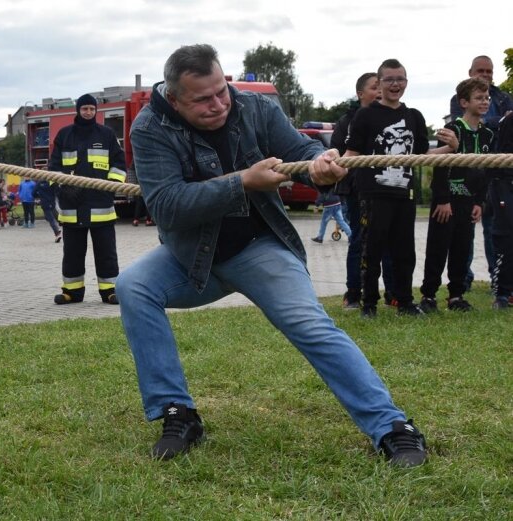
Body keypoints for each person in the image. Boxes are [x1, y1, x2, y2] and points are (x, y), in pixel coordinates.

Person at [117, 44, 427, 467]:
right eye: (202, 100)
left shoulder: (255, 108)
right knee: (133, 287)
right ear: (173, 99)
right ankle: (178, 413)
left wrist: (321, 162)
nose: (218, 105)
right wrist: (243, 181)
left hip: (260, 247)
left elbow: (300, 151)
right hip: (191, 258)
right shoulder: (150, 127)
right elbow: (167, 205)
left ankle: (392, 428)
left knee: (311, 325)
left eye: (221, 91)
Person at [344, 58, 457, 318]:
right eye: (389, 80)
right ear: (380, 83)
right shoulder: (366, 115)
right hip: (373, 194)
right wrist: (332, 168)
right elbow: (351, 153)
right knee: (371, 251)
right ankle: (368, 304)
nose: (395, 84)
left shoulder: (413, 116)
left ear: (406, 82)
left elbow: (422, 155)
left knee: (405, 251)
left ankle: (404, 301)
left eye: (400, 79)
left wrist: (450, 148)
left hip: (404, 194)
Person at [420, 78, 493, 313]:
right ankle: (429, 296)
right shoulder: (452, 130)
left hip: (468, 203)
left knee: (462, 249)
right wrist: (442, 199)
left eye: (487, 98)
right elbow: (440, 166)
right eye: (479, 98)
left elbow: (485, 172)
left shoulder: (487, 135)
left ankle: (456, 295)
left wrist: (480, 202)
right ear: (464, 102)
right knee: (438, 249)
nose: (485, 102)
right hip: (447, 202)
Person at [50, 93, 126, 305]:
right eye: (85, 109)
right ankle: (72, 292)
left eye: (92, 109)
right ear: (78, 110)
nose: (88, 112)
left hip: (101, 206)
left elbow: (119, 163)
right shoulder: (64, 135)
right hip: (72, 208)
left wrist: (110, 188)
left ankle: (110, 290)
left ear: (96, 111)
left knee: (106, 253)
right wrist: (62, 187)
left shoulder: (107, 135)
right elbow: (53, 167)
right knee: (72, 253)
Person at [331, 73, 395, 309]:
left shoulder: (392, 118)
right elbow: (337, 154)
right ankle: (354, 293)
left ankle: (393, 293)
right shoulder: (347, 121)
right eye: (374, 87)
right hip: (356, 190)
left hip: (386, 189)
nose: (379, 91)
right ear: (360, 93)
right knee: (359, 240)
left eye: (382, 86)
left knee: (388, 240)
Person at [450, 56, 513, 291]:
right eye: (480, 71)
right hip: (468, 172)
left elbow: (506, 125)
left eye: (489, 71)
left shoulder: (503, 96)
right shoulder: (460, 96)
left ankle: (496, 278)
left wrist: (496, 121)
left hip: (497, 173)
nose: (485, 74)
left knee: (495, 229)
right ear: (470, 72)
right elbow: (469, 122)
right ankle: (462, 280)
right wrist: (500, 120)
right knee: (465, 230)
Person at [489, 113, 513, 309]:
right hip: (505, 182)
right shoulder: (509, 120)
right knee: (506, 236)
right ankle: (503, 294)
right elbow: (501, 156)